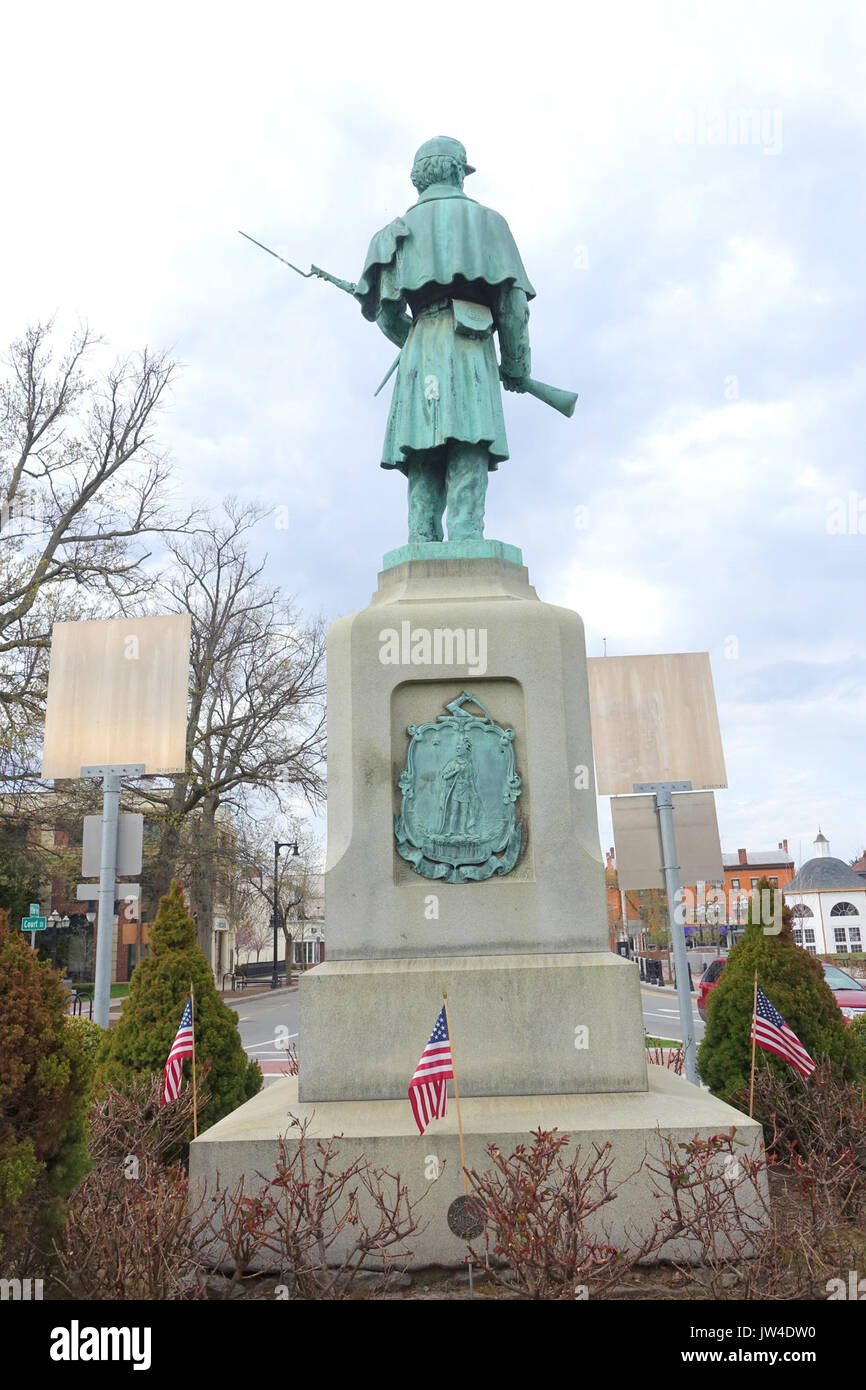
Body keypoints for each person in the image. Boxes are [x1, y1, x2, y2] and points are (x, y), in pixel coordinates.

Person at [354, 137, 535, 543]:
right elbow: (513, 306)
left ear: (418, 179)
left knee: (422, 451)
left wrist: (416, 337)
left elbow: (386, 315)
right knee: (470, 443)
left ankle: (420, 544)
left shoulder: (391, 235)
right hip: (471, 347)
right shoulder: (490, 223)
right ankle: (468, 539)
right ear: (458, 171)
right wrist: (517, 366)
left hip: (420, 347)